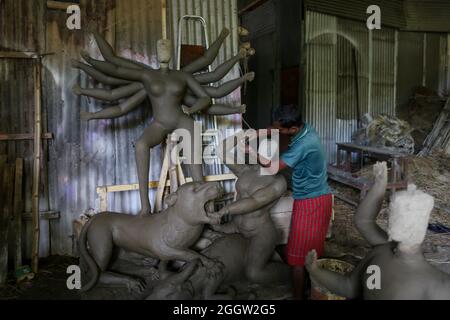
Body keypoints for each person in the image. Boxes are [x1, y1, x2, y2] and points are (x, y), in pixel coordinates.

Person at [258, 104, 332, 299]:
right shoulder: (305, 128)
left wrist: (251, 150)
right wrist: (268, 130)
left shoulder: (304, 144)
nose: (277, 131)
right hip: (317, 196)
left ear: (293, 129)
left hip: (311, 202)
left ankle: (299, 296)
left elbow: (273, 168)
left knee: (298, 257)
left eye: (280, 129)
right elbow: (278, 129)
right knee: (308, 249)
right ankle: (311, 287)